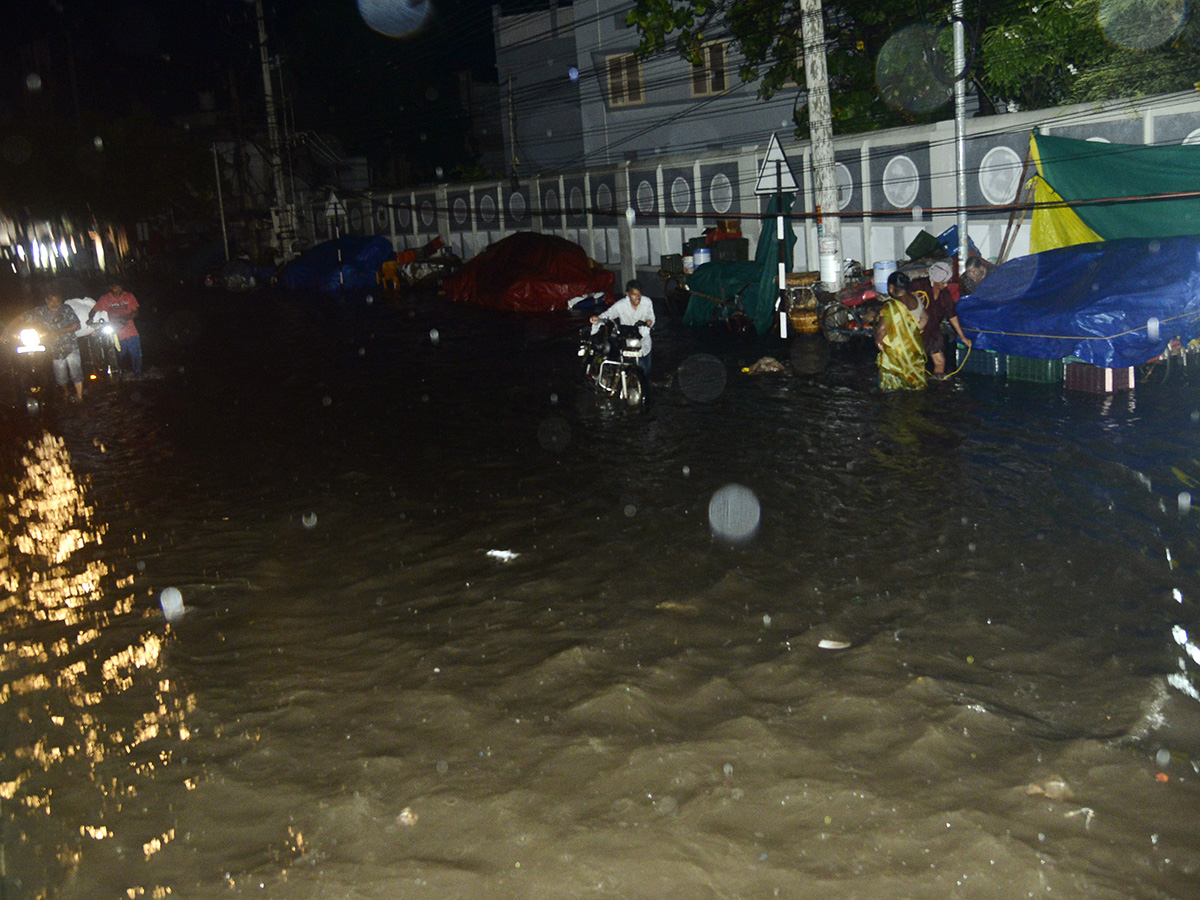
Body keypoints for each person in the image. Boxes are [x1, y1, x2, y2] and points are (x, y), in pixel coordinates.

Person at [909, 260, 970, 377]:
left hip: (932, 332)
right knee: (914, 367)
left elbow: (952, 315)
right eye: (943, 282)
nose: (946, 285)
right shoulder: (918, 286)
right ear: (934, 280)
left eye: (946, 282)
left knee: (940, 362)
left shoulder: (944, 293)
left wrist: (962, 336)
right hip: (915, 333)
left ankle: (937, 388)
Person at [875, 271, 927, 391]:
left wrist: (878, 342)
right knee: (912, 382)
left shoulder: (890, 306)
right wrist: (913, 333)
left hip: (895, 350)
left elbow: (882, 328)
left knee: (890, 383)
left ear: (891, 288)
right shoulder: (916, 300)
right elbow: (925, 318)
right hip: (913, 348)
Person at [28, 291, 84, 402]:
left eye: (57, 300)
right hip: (54, 349)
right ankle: (66, 392)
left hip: (70, 345)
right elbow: (25, 317)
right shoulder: (40, 311)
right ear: (47, 301)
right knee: (61, 375)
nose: (55, 303)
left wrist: (60, 331)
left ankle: (79, 395)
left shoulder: (66, 309)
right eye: (52, 300)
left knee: (76, 370)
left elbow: (76, 325)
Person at [590, 279, 655, 373]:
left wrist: (648, 322)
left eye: (639, 294)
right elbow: (608, 314)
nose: (638, 297)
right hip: (627, 338)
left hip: (643, 339)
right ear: (627, 294)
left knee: (646, 370)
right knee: (622, 367)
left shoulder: (647, 302)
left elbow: (651, 317)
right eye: (634, 294)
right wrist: (598, 319)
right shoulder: (620, 305)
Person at [89, 278, 142, 377]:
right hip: (115, 331)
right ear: (111, 288)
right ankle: (118, 372)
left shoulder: (128, 296)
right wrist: (90, 319)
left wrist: (124, 318)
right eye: (115, 288)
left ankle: (137, 373)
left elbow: (136, 312)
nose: (117, 290)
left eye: (119, 287)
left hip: (130, 329)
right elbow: (94, 310)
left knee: (135, 353)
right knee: (118, 353)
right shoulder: (106, 299)